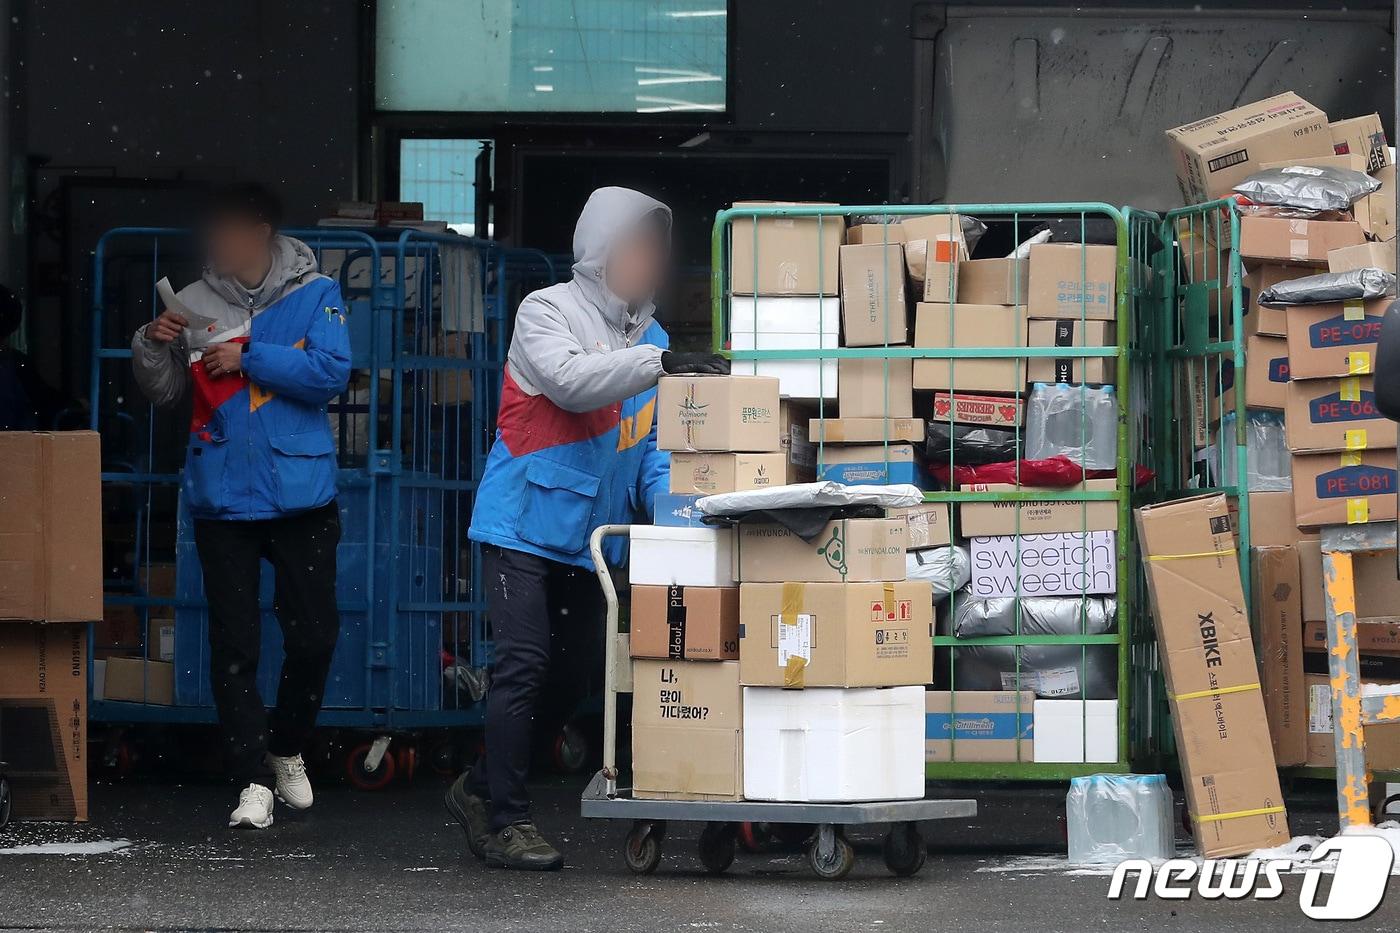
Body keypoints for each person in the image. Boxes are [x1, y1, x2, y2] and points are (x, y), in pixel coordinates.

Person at [447, 186, 728, 870]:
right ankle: (507, 818)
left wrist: (683, 516)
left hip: (590, 537)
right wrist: (656, 365)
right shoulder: (546, 311)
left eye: (654, 252)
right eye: (634, 247)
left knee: (574, 676)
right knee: (524, 665)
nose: (647, 262)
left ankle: (481, 787)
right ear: (600, 250)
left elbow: (655, 450)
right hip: (522, 522)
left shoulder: (654, 338)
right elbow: (572, 382)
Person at [130, 182, 351, 829]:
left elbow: (331, 375)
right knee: (235, 646)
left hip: (302, 493)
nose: (217, 243)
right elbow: (168, 392)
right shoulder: (193, 301)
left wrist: (250, 356)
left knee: (314, 637)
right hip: (221, 493)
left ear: (261, 233)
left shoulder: (316, 294)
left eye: (228, 230)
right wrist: (152, 340)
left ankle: (285, 748)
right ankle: (251, 776)